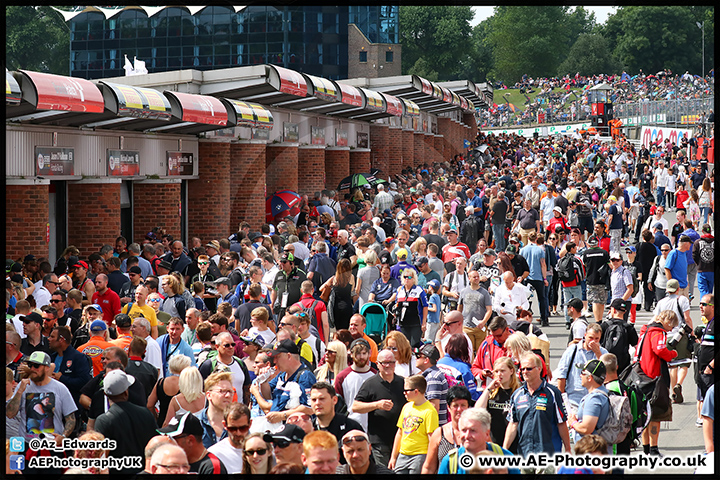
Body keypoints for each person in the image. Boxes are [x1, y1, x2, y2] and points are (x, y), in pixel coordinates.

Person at [5, 351, 78, 475]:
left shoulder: (60, 388)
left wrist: (64, 436)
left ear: (46, 367)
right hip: (27, 448)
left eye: (36, 366)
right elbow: (10, 414)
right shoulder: (23, 387)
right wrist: (19, 392)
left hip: (51, 449)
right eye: (30, 365)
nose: (32, 369)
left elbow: (71, 418)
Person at [504, 351, 571, 456]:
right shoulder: (517, 394)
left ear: (539, 369)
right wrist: (505, 449)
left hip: (549, 454)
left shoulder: (553, 393)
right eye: (522, 369)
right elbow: (513, 424)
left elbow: (561, 423)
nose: (525, 372)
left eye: (529, 368)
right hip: (525, 454)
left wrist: (568, 448)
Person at [94, 369, 158, 474]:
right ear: (126, 391)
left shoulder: (104, 420)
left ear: (105, 394)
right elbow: (155, 444)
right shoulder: (146, 413)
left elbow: (100, 456)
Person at [352, 348, 405, 467]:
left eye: (391, 362)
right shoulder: (370, 383)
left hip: (402, 439)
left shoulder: (403, 383)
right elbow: (355, 406)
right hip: (379, 440)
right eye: (383, 363)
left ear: (395, 363)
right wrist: (376, 405)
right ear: (377, 364)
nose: (387, 365)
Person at [636, 310, 679, 456]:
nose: (671, 330)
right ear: (667, 321)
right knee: (656, 415)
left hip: (641, 376)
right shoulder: (658, 332)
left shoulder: (645, 330)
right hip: (655, 378)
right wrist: (673, 354)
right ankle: (654, 449)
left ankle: (646, 448)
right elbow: (660, 350)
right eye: (672, 326)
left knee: (643, 414)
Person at [439, 407, 517, 474]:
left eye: (473, 430)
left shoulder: (504, 456)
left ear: (487, 434)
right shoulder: (450, 462)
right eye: (464, 430)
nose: (467, 436)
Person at [388, 374, 439, 474]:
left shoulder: (429, 411)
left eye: (406, 391)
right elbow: (400, 432)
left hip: (420, 456)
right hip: (403, 454)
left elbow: (432, 438)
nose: (404, 393)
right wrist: (393, 457)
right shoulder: (406, 407)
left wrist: (431, 462)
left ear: (416, 391)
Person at [653, 279, 693, 405]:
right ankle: (679, 385)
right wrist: (692, 332)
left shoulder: (661, 302)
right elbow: (687, 318)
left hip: (667, 336)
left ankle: (674, 393)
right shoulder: (682, 300)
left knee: (672, 365)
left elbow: (656, 318)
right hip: (680, 336)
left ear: (667, 290)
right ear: (677, 289)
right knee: (684, 363)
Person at [556, 323, 608, 413]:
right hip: (574, 401)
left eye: (597, 339)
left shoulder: (603, 352)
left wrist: (598, 353)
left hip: (595, 400)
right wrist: (562, 400)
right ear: (585, 335)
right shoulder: (573, 350)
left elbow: (607, 374)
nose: (593, 341)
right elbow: (561, 375)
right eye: (590, 338)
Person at [421, 385, 472, 473]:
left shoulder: (477, 432)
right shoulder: (440, 433)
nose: (459, 409)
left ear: (468, 407)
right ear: (448, 407)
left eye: (463, 405)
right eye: (455, 405)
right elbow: (428, 467)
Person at [157, 411, 228, 474]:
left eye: (173, 439)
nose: (169, 443)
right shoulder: (172, 463)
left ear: (190, 440)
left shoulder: (212, 467)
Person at [309, 382, 363, 462]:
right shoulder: (309, 429)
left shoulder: (351, 427)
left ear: (334, 400)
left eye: (322, 399)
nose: (317, 403)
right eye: (314, 400)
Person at [477, 356, 521, 453]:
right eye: (496, 371)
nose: (499, 374)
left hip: (514, 444)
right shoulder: (491, 392)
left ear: (511, 371)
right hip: (493, 443)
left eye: (502, 371)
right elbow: (477, 411)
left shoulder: (519, 392)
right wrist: (488, 389)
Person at [567, 359, 612, 452]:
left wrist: (573, 422)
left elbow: (586, 429)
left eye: (582, 373)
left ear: (589, 378)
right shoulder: (604, 392)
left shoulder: (594, 399)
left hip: (592, 452)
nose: (580, 375)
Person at [334, 338, 376, 432]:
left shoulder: (376, 376)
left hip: (373, 427)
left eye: (364, 353)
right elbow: (337, 403)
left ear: (369, 353)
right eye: (358, 353)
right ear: (351, 354)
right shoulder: (342, 377)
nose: (361, 357)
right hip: (349, 425)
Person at [207, 403, 251, 474]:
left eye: (243, 428)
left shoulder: (260, 450)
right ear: (224, 425)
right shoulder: (214, 454)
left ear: (250, 424)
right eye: (232, 429)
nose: (238, 433)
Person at [471, 315, 513, 389]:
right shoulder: (486, 344)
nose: (496, 338)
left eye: (499, 335)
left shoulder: (517, 344)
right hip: (489, 389)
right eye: (493, 335)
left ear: (506, 329)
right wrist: (482, 373)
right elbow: (475, 368)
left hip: (511, 389)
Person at [458, 270, 493, 353]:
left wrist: (483, 322)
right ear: (469, 278)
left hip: (480, 327)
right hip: (466, 327)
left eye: (478, 276)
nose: (477, 278)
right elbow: (459, 308)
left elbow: (489, 310)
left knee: (480, 352)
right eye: (474, 277)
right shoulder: (463, 292)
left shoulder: (485, 293)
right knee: (468, 351)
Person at [600, 299, 639, 373]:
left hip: (606, 361)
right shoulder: (628, 327)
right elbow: (636, 346)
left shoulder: (605, 325)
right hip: (623, 363)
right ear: (625, 312)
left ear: (613, 310)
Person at [437, 333, 480, 400]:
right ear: (464, 349)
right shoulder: (463, 368)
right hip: (456, 404)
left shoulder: (439, 363)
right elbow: (471, 395)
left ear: (448, 346)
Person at [393, 267, 428, 348]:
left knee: (414, 345)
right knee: (404, 346)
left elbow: (425, 306)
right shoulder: (400, 290)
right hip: (403, 323)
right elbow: (396, 304)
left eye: (409, 277)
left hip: (416, 323)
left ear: (414, 279)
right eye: (405, 277)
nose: (407, 279)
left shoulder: (419, 290)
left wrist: (424, 322)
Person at [414, 343, 448, 425]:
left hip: (434, 428)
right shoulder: (431, 375)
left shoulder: (433, 377)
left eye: (418, 356)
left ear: (426, 360)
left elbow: (434, 406)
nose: (416, 359)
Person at [581, 236, 611, 323]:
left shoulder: (586, 253)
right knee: (601, 301)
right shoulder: (604, 253)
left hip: (591, 279)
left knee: (595, 301)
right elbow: (609, 264)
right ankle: (600, 319)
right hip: (603, 279)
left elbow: (585, 264)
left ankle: (597, 320)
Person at [693, 224, 715, 300]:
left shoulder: (697, 242)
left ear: (702, 231)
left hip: (702, 269)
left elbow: (694, 255)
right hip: (712, 269)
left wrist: (698, 264)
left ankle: (705, 304)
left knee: (703, 290)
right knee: (709, 290)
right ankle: (709, 304)